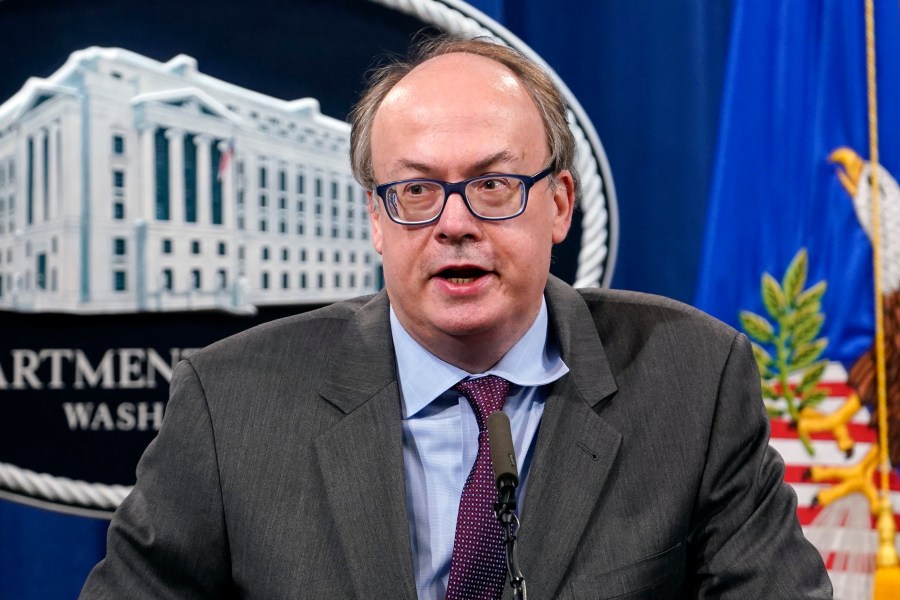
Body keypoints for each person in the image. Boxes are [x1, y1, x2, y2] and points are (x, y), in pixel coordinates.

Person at [80, 35, 832, 599]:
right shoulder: (233, 404)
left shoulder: (691, 381)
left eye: (494, 185)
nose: (454, 224)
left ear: (559, 204)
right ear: (376, 220)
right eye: (415, 192)